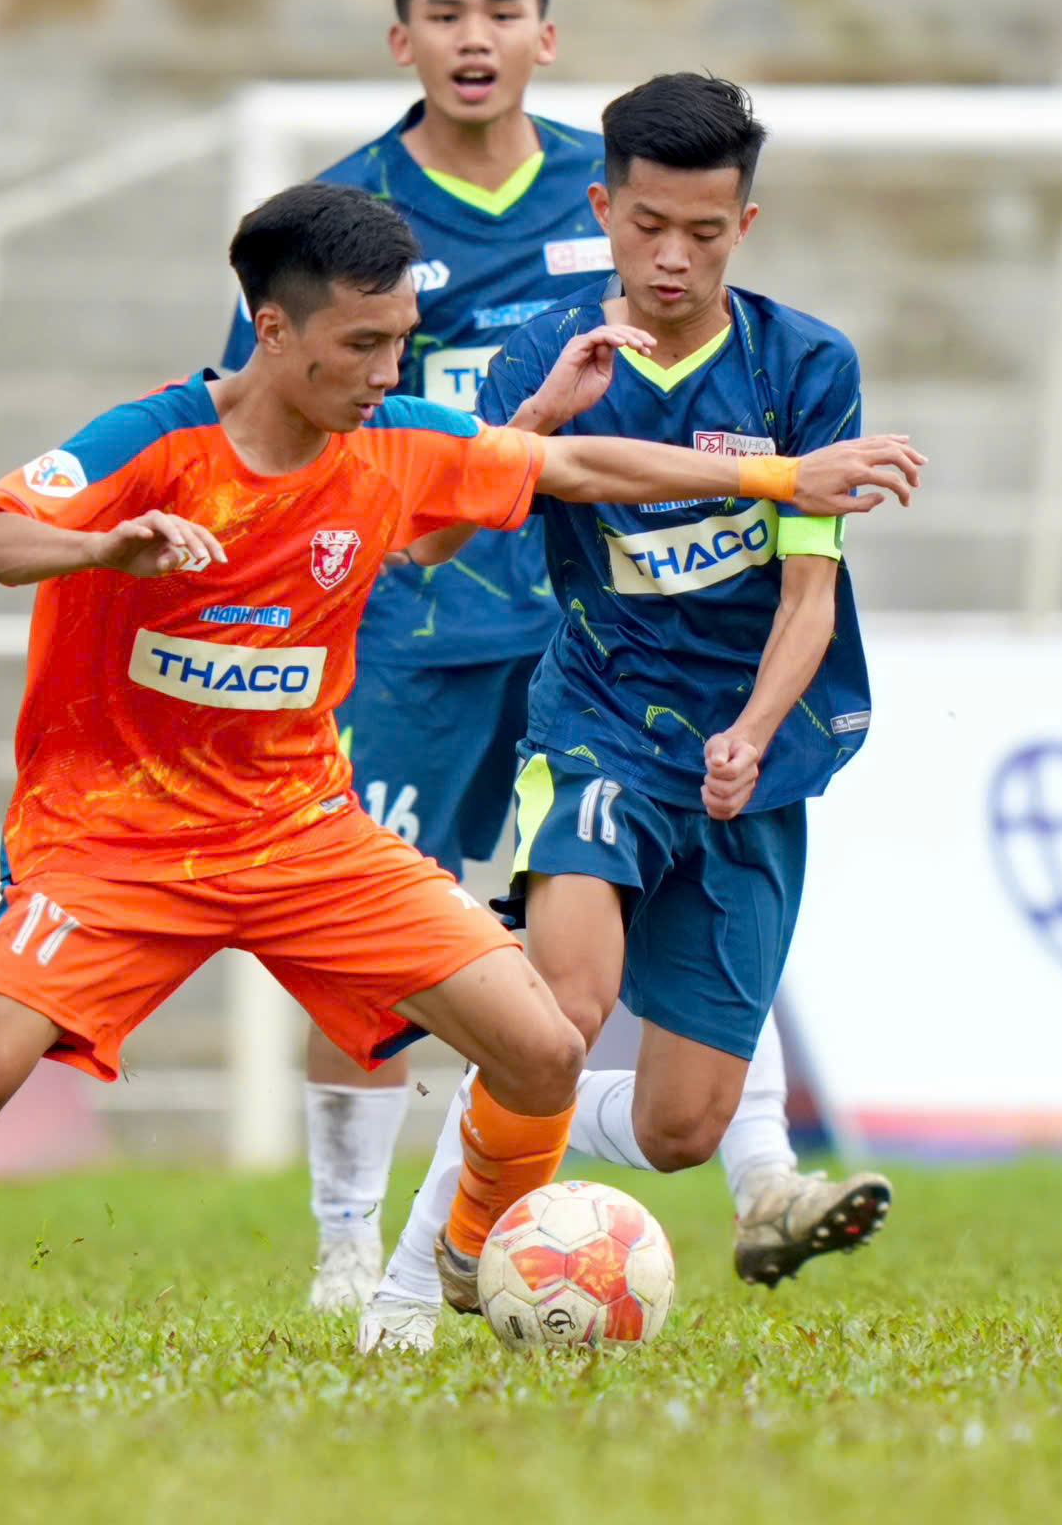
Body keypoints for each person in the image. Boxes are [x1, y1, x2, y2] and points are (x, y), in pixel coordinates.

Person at [0, 180, 920, 1360]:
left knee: (544, 1050)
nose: (389, 373)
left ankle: (466, 1251)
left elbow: (573, 469)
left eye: (402, 341)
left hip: (303, 836)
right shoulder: (153, 443)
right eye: (363, 345)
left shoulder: (390, 443)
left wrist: (774, 478)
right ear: (273, 329)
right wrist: (106, 546)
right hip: (111, 843)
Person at [358, 74, 900, 1355]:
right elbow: (429, 538)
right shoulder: (541, 349)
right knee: (558, 1013)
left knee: (677, 1131)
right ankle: (407, 1288)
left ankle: (524, 1174)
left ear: (744, 228)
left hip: (755, 756)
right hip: (595, 722)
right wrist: (534, 419)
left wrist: (757, 732)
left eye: (704, 234)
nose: (671, 257)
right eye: (647, 224)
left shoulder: (804, 365)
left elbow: (808, 594)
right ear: (602, 205)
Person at [220, 0, 619, 1308]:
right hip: (404, 636)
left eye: (500, 12)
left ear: (546, 35)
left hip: (577, 636)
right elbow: (259, 413)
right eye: (446, 15)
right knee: (379, 956)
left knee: (560, 970)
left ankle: (460, 1244)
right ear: (403, 38)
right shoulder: (343, 219)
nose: (474, 38)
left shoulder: (609, 197)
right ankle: (343, 1246)